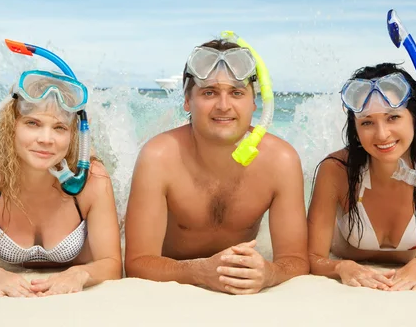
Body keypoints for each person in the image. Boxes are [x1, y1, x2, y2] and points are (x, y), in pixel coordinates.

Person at [124, 32, 308, 294]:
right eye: (209, 92)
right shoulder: (160, 157)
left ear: (254, 102)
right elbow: (137, 263)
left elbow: (297, 261)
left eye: (236, 92)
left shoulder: (281, 161)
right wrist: (200, 271)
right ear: (188, 101)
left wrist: (270, 273)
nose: (224, 105)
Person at [0, 40, 122, 297]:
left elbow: (112, 265)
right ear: (12, 126)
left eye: (59, 128)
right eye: (32, 123)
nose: (46, 139)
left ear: (74, 135)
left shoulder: (93, 181)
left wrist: (80, 273)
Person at [307, 62, 416, 291]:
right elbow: (312, 258)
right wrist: (341, 267)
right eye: (367, 122)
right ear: (355, 127)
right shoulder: (336, 170)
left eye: (393, 117)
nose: (382, 134)